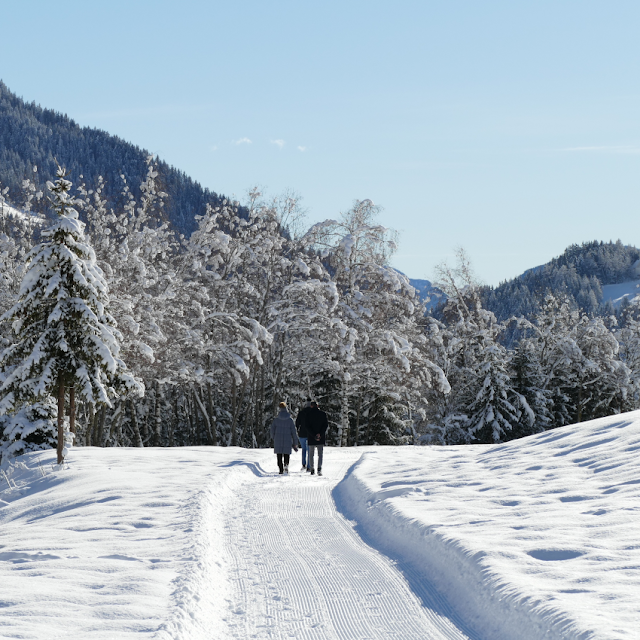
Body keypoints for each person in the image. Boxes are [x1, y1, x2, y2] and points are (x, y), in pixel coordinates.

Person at [270, 401, 299, 475]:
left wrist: (274, 438)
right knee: (286, 453)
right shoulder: (290, 420)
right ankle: (286, 465)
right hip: (287, 440)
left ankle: (280, 468)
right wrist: (295, 442)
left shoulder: (276, 420)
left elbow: (272, 430)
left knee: (279, 455)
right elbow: (294, 432)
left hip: (278, 440)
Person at [306, 401, 328, 476]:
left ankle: (312, 468)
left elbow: (307, 427)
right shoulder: (322, 414)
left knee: (311, 453)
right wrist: (320, 434)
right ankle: (319, 468)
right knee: (320, 454)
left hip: (311, 437)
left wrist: (313, 435)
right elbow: (325, 425)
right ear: (317, 406)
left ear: (311, 406)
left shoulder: (308, 415)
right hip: (320, 437)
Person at [296, 398, 313, 471]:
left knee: (303, 449)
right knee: (309, 450)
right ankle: (309, 466)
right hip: (310, 434)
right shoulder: (313, 413)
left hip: (302, 433)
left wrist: (297, 430)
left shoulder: (301, 413)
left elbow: (297, 423)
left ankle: (303, 464)